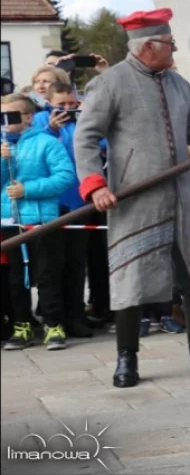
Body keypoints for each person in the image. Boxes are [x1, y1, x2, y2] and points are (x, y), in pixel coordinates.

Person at [73, 8, 190, 388]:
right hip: (134, 197)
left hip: (181, 193)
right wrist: (95, 185)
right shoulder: (110, 83)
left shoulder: (179, 84)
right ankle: (127, 358)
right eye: (169, 42)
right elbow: (85, 137)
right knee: (130, 275)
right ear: (148, 46)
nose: (175, 47)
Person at [1, 93, 76, 351]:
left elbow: (65, 176)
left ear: (28, 117)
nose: (5, 122)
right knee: (14, 277)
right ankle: (21, 325)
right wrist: (3, 160)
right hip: (10, 220)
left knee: (47, 274)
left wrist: (28, 189)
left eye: (10, 116)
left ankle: (54, 324)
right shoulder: (1, 145)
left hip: (42, 220)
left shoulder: (47, 142)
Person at [32, 81, 96, 338]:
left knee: (77, 263)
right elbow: (31, 149)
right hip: (51, 204)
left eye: (72, 104)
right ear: (49, 102)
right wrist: (50, 129)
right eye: (61, 105)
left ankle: (76, 315)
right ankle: (54, 318)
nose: (67, 109)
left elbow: (99, 146)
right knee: (52, 264)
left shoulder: (83, 121)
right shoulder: (38, 121)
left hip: (80, 202)